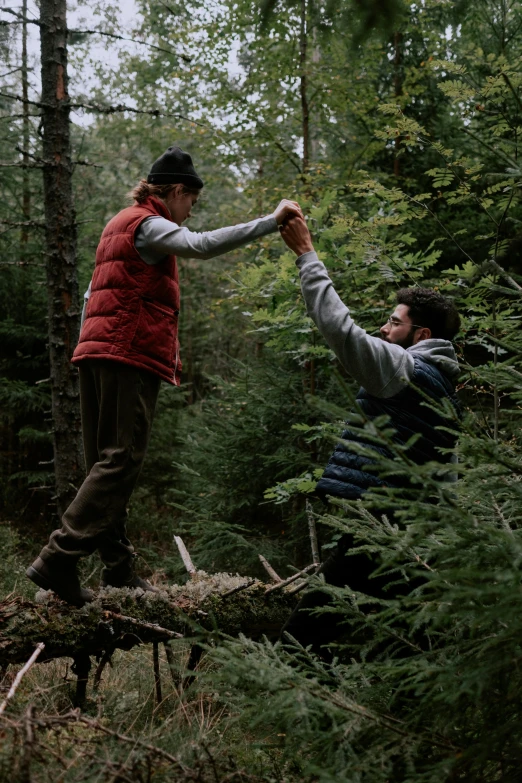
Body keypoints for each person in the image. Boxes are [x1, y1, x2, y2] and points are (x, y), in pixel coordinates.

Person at [27, 145, 303, 607]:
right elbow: (200, 245)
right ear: (175, 191)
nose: (191, 212)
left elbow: (95, 292)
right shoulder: (151, 225)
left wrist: (86, 351)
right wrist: (271, 221)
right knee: (121, 460)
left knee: (107, 464)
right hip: (126, 353)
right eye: (191, 201)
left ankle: (117, 570)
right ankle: (58, 558)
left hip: (97, 352)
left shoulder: (118, 221)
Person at [277, 215, 461, 656]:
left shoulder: (407, 369)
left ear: (422, 335)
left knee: (303, 636)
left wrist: (307, 256)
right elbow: (446, 477)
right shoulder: (444, 389)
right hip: (410, 534)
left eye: (393, 322)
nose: (384, 328)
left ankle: (283, 693)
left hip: (380, 528)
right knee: (402, 642)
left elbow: (341, 331)